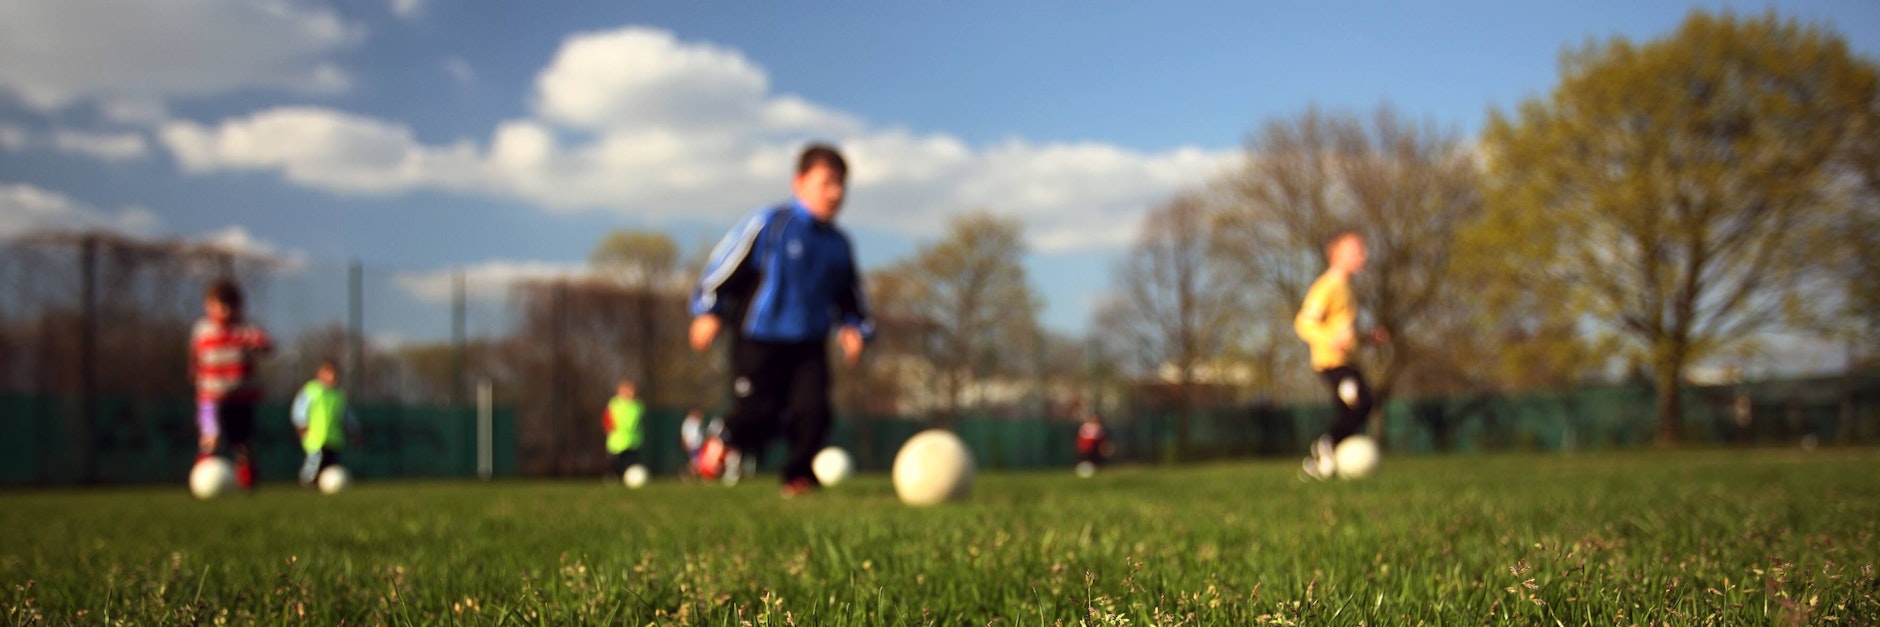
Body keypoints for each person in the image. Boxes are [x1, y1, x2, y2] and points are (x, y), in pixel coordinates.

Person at [689, 143, 872, 498]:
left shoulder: (837, 244)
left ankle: (798, 477)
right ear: (799, 182)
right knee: (759, 413)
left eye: (842, 185)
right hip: (760, 337)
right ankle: (722, 438)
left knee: (814, 413)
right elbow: (725, 268)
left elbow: (850, 296)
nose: (836, 193)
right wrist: (708, 311)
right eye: (827, 182)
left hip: (808, 343)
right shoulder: (771, 224)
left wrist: (854, 327)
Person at [1294, 230, 1388, 480]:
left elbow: (1344, 333)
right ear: (1335, 254)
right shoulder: (1327, 286)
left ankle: (1319, 466)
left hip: (1346, 361)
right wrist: (1329, 340)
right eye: (1356, 250)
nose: (1363, 255)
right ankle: (1327, 444)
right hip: (1331, 364)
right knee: (1361, 403)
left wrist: (1368, 338)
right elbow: (1303, 322)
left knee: (1353, 412)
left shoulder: (1347, 288)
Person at [190, 278, 273, 491]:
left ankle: (247, 479)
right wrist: (194, 375)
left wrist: (257, 344)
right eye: (218, 305)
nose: (224, 311)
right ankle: (202, 476)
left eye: (230, 306)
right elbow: (195, 358)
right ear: (208, 305)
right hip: (210, 397)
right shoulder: (202, 331)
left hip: (241, 397)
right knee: (211, 436)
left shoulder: (245, 330)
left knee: (242, 442)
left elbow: (266, 345)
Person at [291, 359, 359, 486]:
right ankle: (308, 482)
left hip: (334, 438)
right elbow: (299, 409)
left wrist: (353, 431)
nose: (333, 377)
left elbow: (346, 416)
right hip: (316, 437)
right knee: (314, 462)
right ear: (321, 374)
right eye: (329, 373)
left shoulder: (338, 395)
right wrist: (301, 426)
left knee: (330, 466)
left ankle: (325, 487)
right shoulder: (311, 390)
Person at [603, 380, 645, 477]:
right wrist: (608, 427)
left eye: (631, 391)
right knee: (614, 461)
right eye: (626, 391)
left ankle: (628, 477)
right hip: (617, 440)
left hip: (633, 440)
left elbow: (638, 420)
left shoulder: (638, 405)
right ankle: (612, 477)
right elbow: (607, 418)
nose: (629, 393)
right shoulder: (614, 404)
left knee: (630, 462)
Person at [1074, 404, 1109, 469]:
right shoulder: (1086, 426)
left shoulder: (1097, 427)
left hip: (1093, 450)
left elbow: (1101, 440)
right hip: (1087, 449)